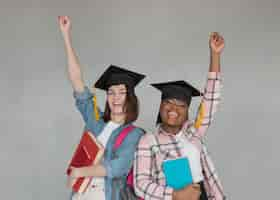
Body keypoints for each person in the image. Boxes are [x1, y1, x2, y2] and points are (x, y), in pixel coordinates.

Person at [58, 16, 145, 200]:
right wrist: (66, 36)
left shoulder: (134, 134)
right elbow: (77, 83)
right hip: (80, 195)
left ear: (130, 97)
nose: (115, 98)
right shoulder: (96, 121)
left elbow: (117, 168)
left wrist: (79, 172)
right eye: (111, 92)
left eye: (121, 92)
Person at [133, 32, 226, 200]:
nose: (173, 108)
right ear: (160, 106)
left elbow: (211, 100)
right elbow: (140, 184)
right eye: (168, 102)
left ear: (187, 112)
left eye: (181, 105)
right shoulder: (148, 141)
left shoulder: (194, 131)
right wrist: (175, 194)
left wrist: (215, 55)